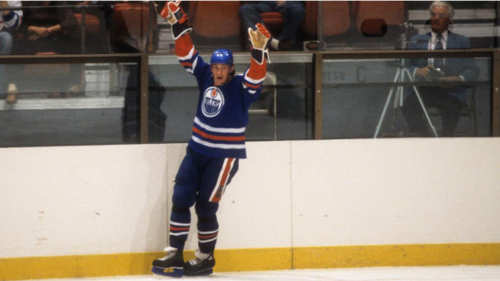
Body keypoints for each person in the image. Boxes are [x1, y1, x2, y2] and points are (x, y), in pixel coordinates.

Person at [151, 1, 270, 277]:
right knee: (180, 197)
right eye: (215, 66)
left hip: (224, 157)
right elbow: (187, 55)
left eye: (222, 67)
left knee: (206, 206)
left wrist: (258, 51)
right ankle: (175, 255)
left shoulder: (242, 86)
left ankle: (205, 258)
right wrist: (178, 27)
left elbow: (257, 75)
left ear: (231, 69)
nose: (217, 71)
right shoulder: (205, 76)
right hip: (196, 150)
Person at [401, 1, 479, 137]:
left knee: (452, 106)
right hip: (422, 89)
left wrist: (458, 79)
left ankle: (446, 141)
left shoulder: (461, 41)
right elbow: (406, 66)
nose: (436, 18)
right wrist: (416, 71)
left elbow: (473, 70)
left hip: (450, 91)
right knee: (408, 103)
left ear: (449, 20)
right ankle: (421, 138)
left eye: (441, 16)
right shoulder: (416, 40)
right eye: (433, 14)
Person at [10, 1, 82, 102]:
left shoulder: (59, 3)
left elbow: (72, 22)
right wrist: (35, 29)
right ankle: (13, 86)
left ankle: (75, 84)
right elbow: (19, 26)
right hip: (34, 40)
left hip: (55, 38)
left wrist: (48, 30)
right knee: (17, 44)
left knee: (75, 41)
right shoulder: (29, 4)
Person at [239, 1, 304, 51]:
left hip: (288, 3)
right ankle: (265, 39)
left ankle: (284, 42)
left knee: (297, 10)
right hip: (265, 3)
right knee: (245, 9)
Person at [0, 1, 22, 104]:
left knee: (6, 38)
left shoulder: (13, 1)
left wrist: (3, 3)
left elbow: (13, 25)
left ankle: (1, 88)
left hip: (3, 35)